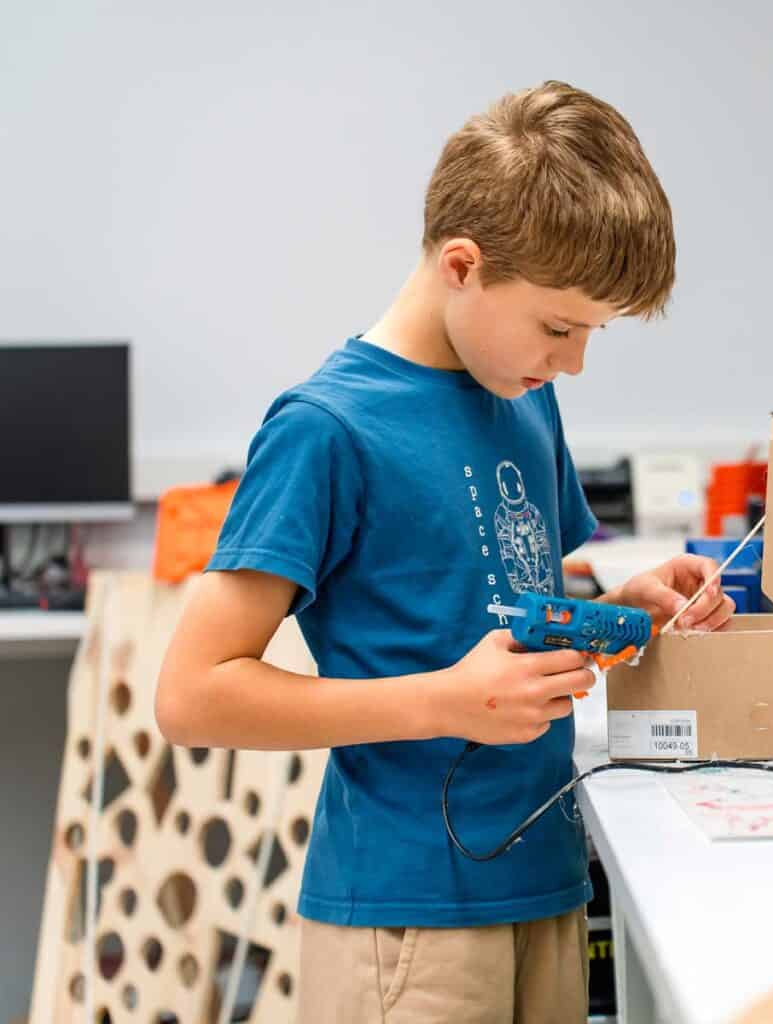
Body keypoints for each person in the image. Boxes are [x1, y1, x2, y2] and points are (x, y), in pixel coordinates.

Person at [156, 82, 735, 1023]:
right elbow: (192, 693)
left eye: (592, 333)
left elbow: (513, 603)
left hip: (543, 879)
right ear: (462, 264)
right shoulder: (327, 427)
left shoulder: (524, 391)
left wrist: (626, 605)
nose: (575, 362)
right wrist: (446, 702)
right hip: (408, 918)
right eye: (559, 327)